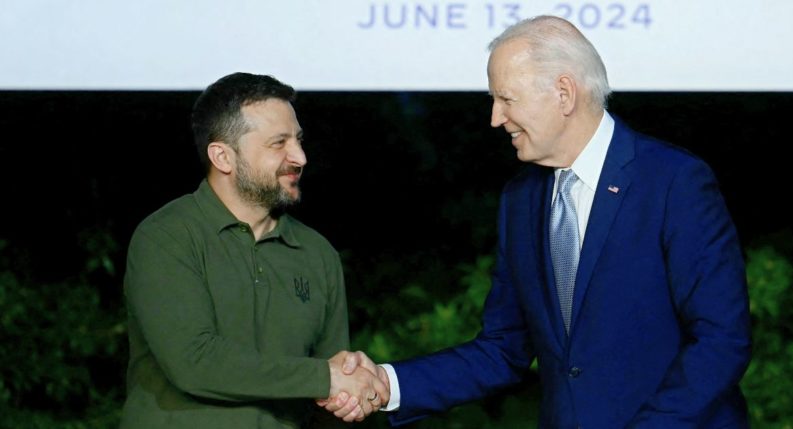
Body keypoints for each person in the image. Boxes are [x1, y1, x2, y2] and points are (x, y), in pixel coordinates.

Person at [327, 15, 752, 428]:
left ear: (564, 94)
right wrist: (387, 384)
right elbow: (504, 349)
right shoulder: (520, 199)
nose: (495, 118)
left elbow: (721, 341)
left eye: (507, 99)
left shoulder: (673, 181)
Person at [120, 72, 388, 428]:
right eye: (278, 143)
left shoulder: (317, 253)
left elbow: (333, 378)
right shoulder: (167, 236)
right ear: (223, 157)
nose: (300, 157)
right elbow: (194, 363)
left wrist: (349, 394)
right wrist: (326, 378)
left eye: (298, 140)